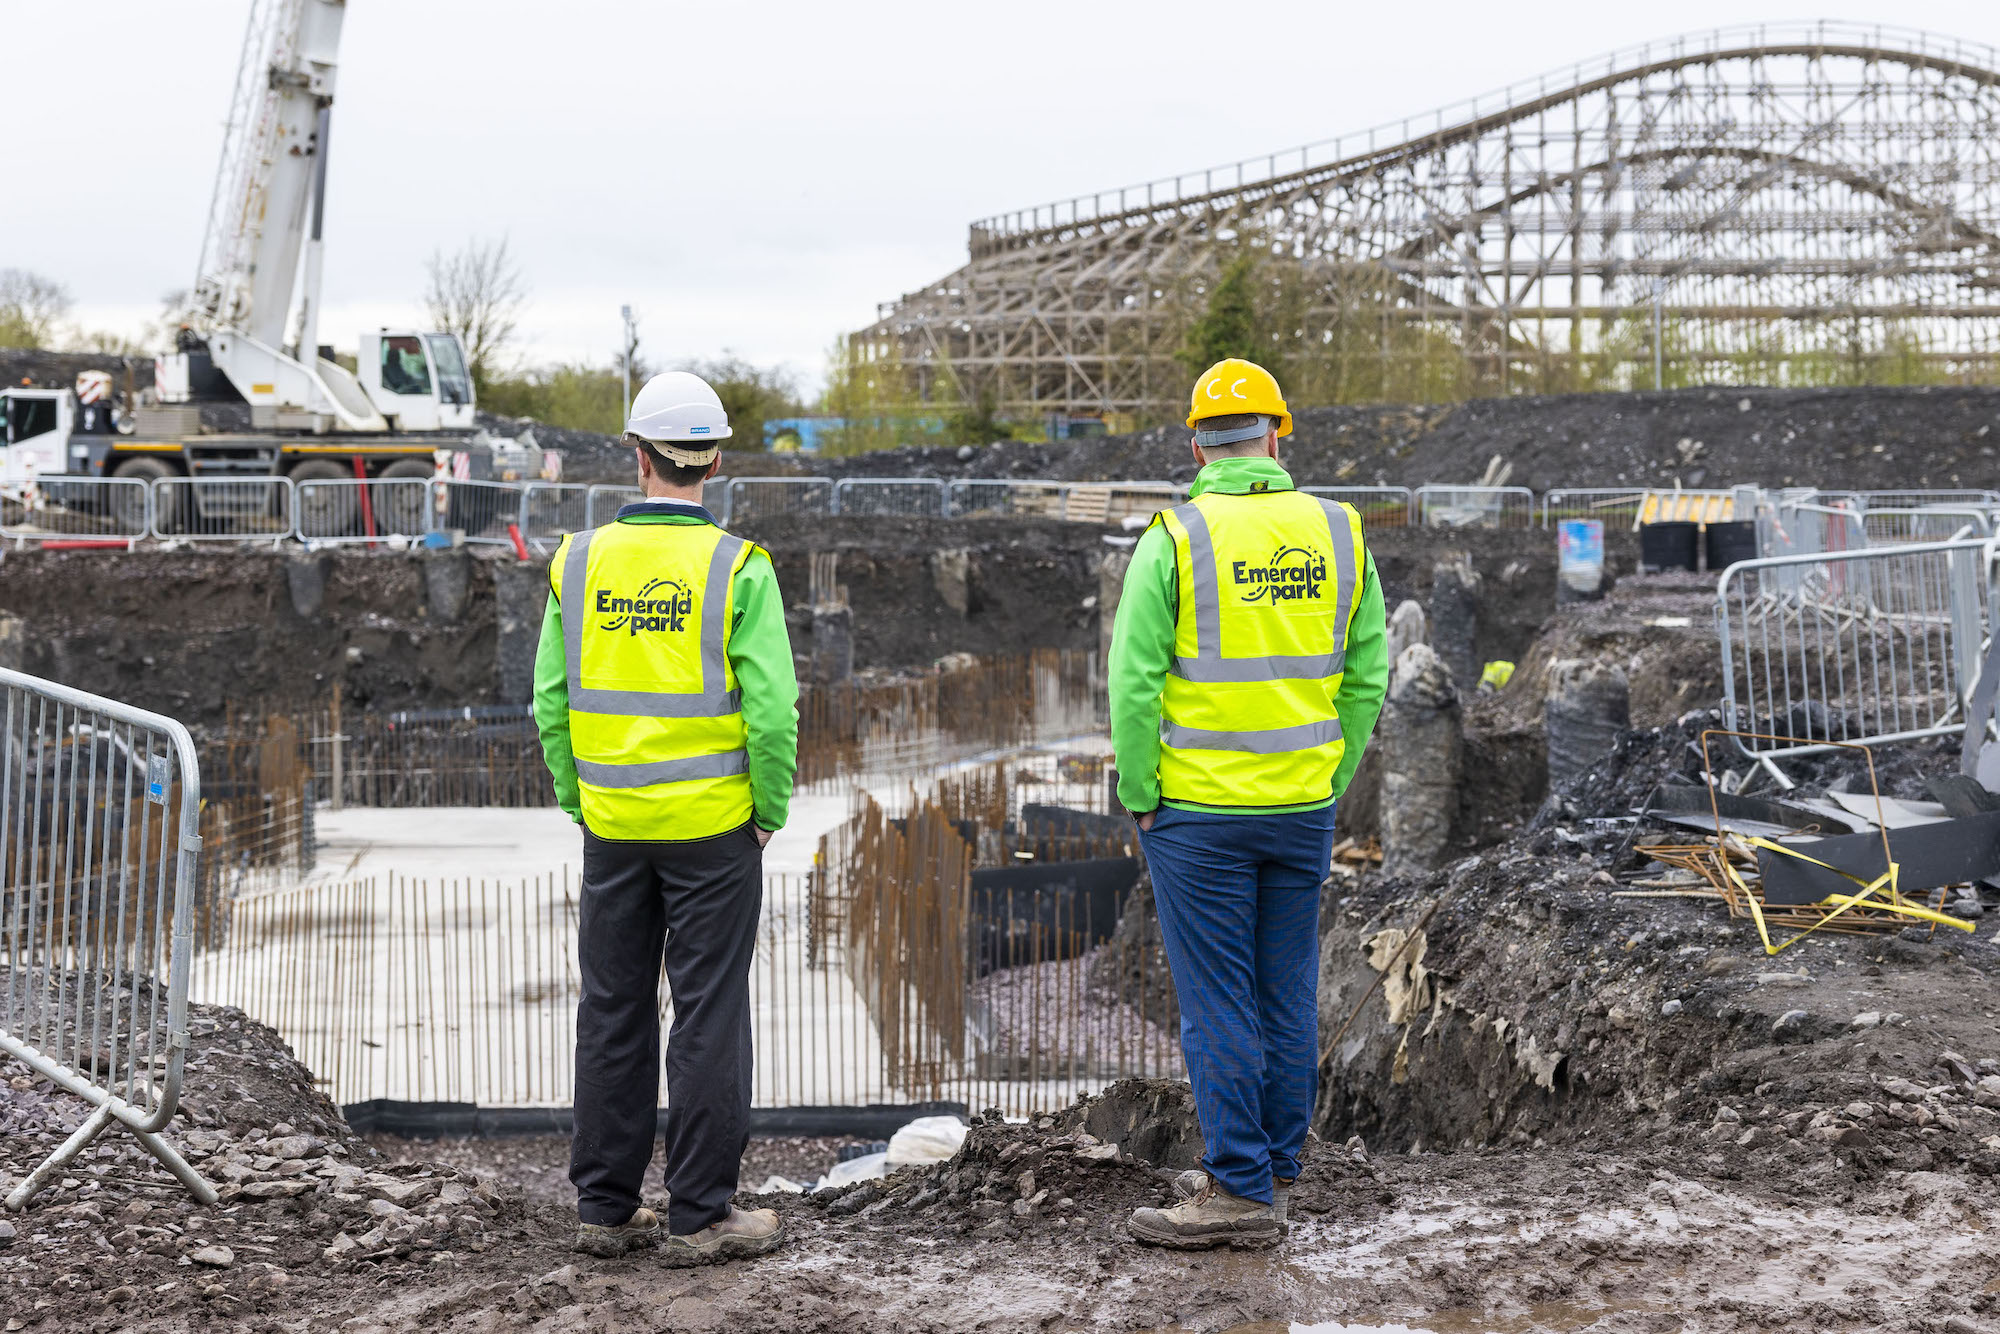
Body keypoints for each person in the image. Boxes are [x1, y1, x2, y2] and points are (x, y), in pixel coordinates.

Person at [1107, 357, 1388, 1249]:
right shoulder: (1341, 533)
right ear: (1278, 433)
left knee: (1219, 1000)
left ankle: (1237, 1190)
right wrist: (1327, 779)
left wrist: (1141, 792)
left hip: (1198, 814)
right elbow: (1367, 673)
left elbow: (1133, 684)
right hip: (1299, 808)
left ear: (1196, 443)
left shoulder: (1176, 537)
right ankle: (1274, 1162)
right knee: (1285, 988)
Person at [533, 371, 800, 1264]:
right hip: (714, 830)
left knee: (611, 1007)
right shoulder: (738, 566)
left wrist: (585, 802)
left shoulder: (575, 561)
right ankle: (701, 1216)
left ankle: (604, 1208)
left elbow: (549, 703)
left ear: (635, 456)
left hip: (614, 827)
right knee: (708, 1015)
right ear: (716, 461)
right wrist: (766, 812)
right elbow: (772, 712)